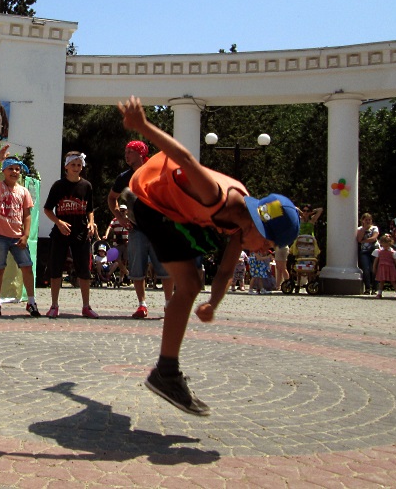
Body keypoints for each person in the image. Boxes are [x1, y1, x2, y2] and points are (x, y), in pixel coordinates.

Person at [118, 96, 299, 416]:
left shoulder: (239, 226)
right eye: (269, 244)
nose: (267, 251)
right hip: (147, 198)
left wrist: (213, 304)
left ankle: (166, 371)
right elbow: (185, 157)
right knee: (188, 284)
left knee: (195, 280)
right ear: (259, 224)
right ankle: (166, 374)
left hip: (174, 210)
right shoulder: (218, 197)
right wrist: (142, 125)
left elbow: (227, 270)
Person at [107, 140, 171, 319]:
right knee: (136, 268)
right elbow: (112, 198)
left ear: (141, 153)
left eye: (130, 151)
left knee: (165, 268)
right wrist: (119, 216)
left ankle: (169, 304)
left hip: (159, 227)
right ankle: (142, 305)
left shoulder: (156, 171)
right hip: (137, 229)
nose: (126, 155)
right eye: (125, 151)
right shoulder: (124, 177)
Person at [0, 144, 40, 317]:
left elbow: (27, 215)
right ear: (4, 170)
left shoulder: (24, 192)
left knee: (27, 268)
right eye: (10, 169)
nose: (14, 172)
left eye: (17, 169)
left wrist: (26, 235)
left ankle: (31, 302)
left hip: (18, 238)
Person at [43, 151, 99, 318]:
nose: (76, 168)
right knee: (56, 268)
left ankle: (86, 306)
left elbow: (89, 209)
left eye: (79, 165)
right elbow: (47, 209)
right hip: (61, 233)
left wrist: (90, 222)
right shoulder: (58, 186)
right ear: (66, 166)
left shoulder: (86, 186)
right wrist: (58, 222)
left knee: (84, 269)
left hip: (81, 232)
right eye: (73, 165)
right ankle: (54, 305)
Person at [103, 204, 130, 282]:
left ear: (126, 211)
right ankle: (127, 273)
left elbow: (132, 231)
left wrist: (130, 240)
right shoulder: (115, 220)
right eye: (120, 210)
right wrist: (106, 235)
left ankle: (121, 279)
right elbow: (109, 227)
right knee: (117, 259)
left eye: (123, 211)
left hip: (126, 243)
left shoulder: (129, 220)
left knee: (124, 261)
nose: (121, 212)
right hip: (117, 243)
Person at [356, 213, 379, 294]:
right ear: (362, 220)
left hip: (374, 250)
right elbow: (359, 239)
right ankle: (367, 288)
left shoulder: (374, 228)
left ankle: (375, 288)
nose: (368, 221)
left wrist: (364, 241)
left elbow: (374, 238)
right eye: (366, 220)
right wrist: (364, 229)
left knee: (374, 269)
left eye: (369, 220)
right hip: (364, 251)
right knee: (366, 269)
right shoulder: (359, 229)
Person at [372, 234, 396, 299]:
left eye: (387, 245)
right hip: (382, 267)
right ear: (381, 243)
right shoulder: (379, 251)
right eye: (384, 245)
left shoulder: (393, 252)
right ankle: (379, 293)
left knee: (393, 281)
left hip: (391, 267)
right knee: (381, 281)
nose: (385, 246)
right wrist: (374, 267)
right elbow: (376, 260)